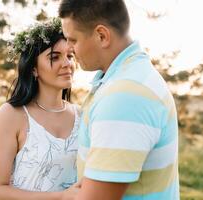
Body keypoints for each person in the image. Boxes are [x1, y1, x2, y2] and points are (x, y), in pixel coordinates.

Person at [59, 0, 180, 200]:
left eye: (73, 40)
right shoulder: (130, 77)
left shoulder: (124, 96)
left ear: (102, 36)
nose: (69, 49)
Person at [0, 18, 81, 200]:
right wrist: (61, 197)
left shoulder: (82, 115)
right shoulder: (12, 115)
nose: (67, 63)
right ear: (34, 69)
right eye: (54, 57)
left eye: (70, 56)